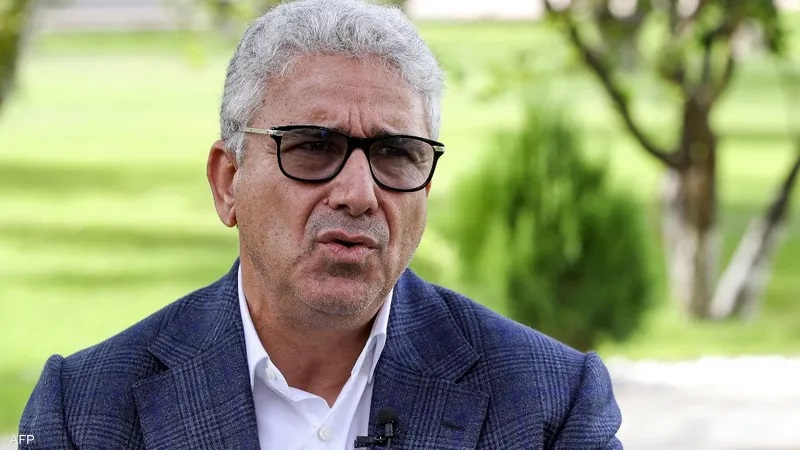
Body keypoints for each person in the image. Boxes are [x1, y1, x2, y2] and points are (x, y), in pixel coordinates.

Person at [19, 0, 623, 448]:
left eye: (396, 153)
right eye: (312, 146)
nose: (359, 195)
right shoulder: (87, 411)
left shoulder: (548, 405)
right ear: (228, 181)